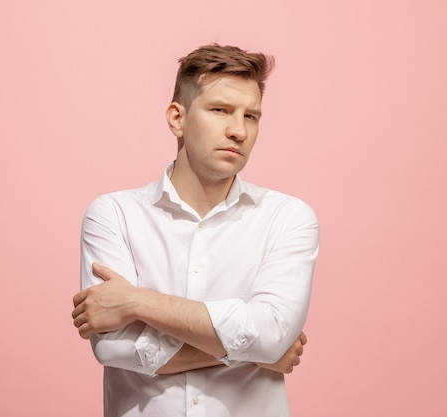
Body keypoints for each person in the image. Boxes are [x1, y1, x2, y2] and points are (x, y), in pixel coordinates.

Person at [71, 43, 319, 417]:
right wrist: (254, 351)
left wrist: (137, 301)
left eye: (251, 116)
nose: (238, 130)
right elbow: (113, 349)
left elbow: (270, 336)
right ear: (177, 118)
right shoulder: (114, 214)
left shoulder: (288, 217)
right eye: (220, 110)